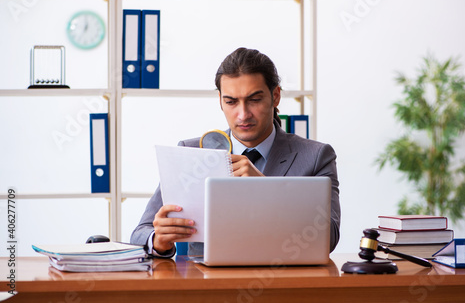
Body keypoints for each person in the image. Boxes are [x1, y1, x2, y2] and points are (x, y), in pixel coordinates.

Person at [130, 47, 340, 257]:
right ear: (220, 100)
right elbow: (140, 233)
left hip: (283, 282)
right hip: (207, 284)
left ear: (275, 96)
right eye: (231, 102)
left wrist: (268, 191)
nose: (242, 115)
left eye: (254, 100)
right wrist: (159, 240)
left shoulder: (316, 156)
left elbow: (328, 238)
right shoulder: (191, 152)